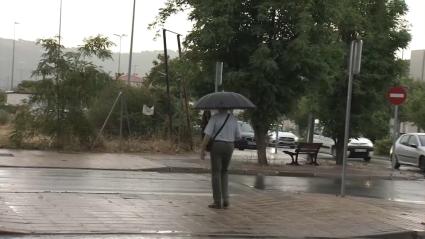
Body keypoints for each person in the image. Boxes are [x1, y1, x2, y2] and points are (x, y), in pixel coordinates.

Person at [200, 109, 240, 209]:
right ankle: (226, 199)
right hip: (230, 145)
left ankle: (217, 201)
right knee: (225, 171)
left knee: (216, 172)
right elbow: (238, 136)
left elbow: (207, 135)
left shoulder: (214, 118)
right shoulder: (233, 119)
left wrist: (202, 149)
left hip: (217, 145)